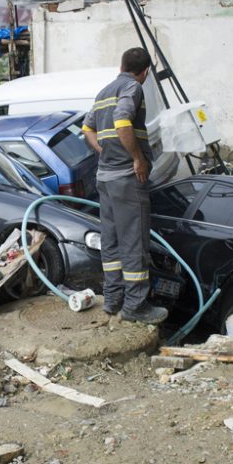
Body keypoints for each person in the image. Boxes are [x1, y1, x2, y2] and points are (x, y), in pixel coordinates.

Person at [81, 47, 167, 325]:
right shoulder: (132, 88)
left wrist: (103, 152)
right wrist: (137, 158)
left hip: (104, 178)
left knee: (112, 241)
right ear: (145, 72)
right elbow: (122, 120)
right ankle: (135, 307)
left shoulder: (103, 91)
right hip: (127, 179)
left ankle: (113, 300)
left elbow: (87, 129)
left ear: (121, 65)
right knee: (134, 242)